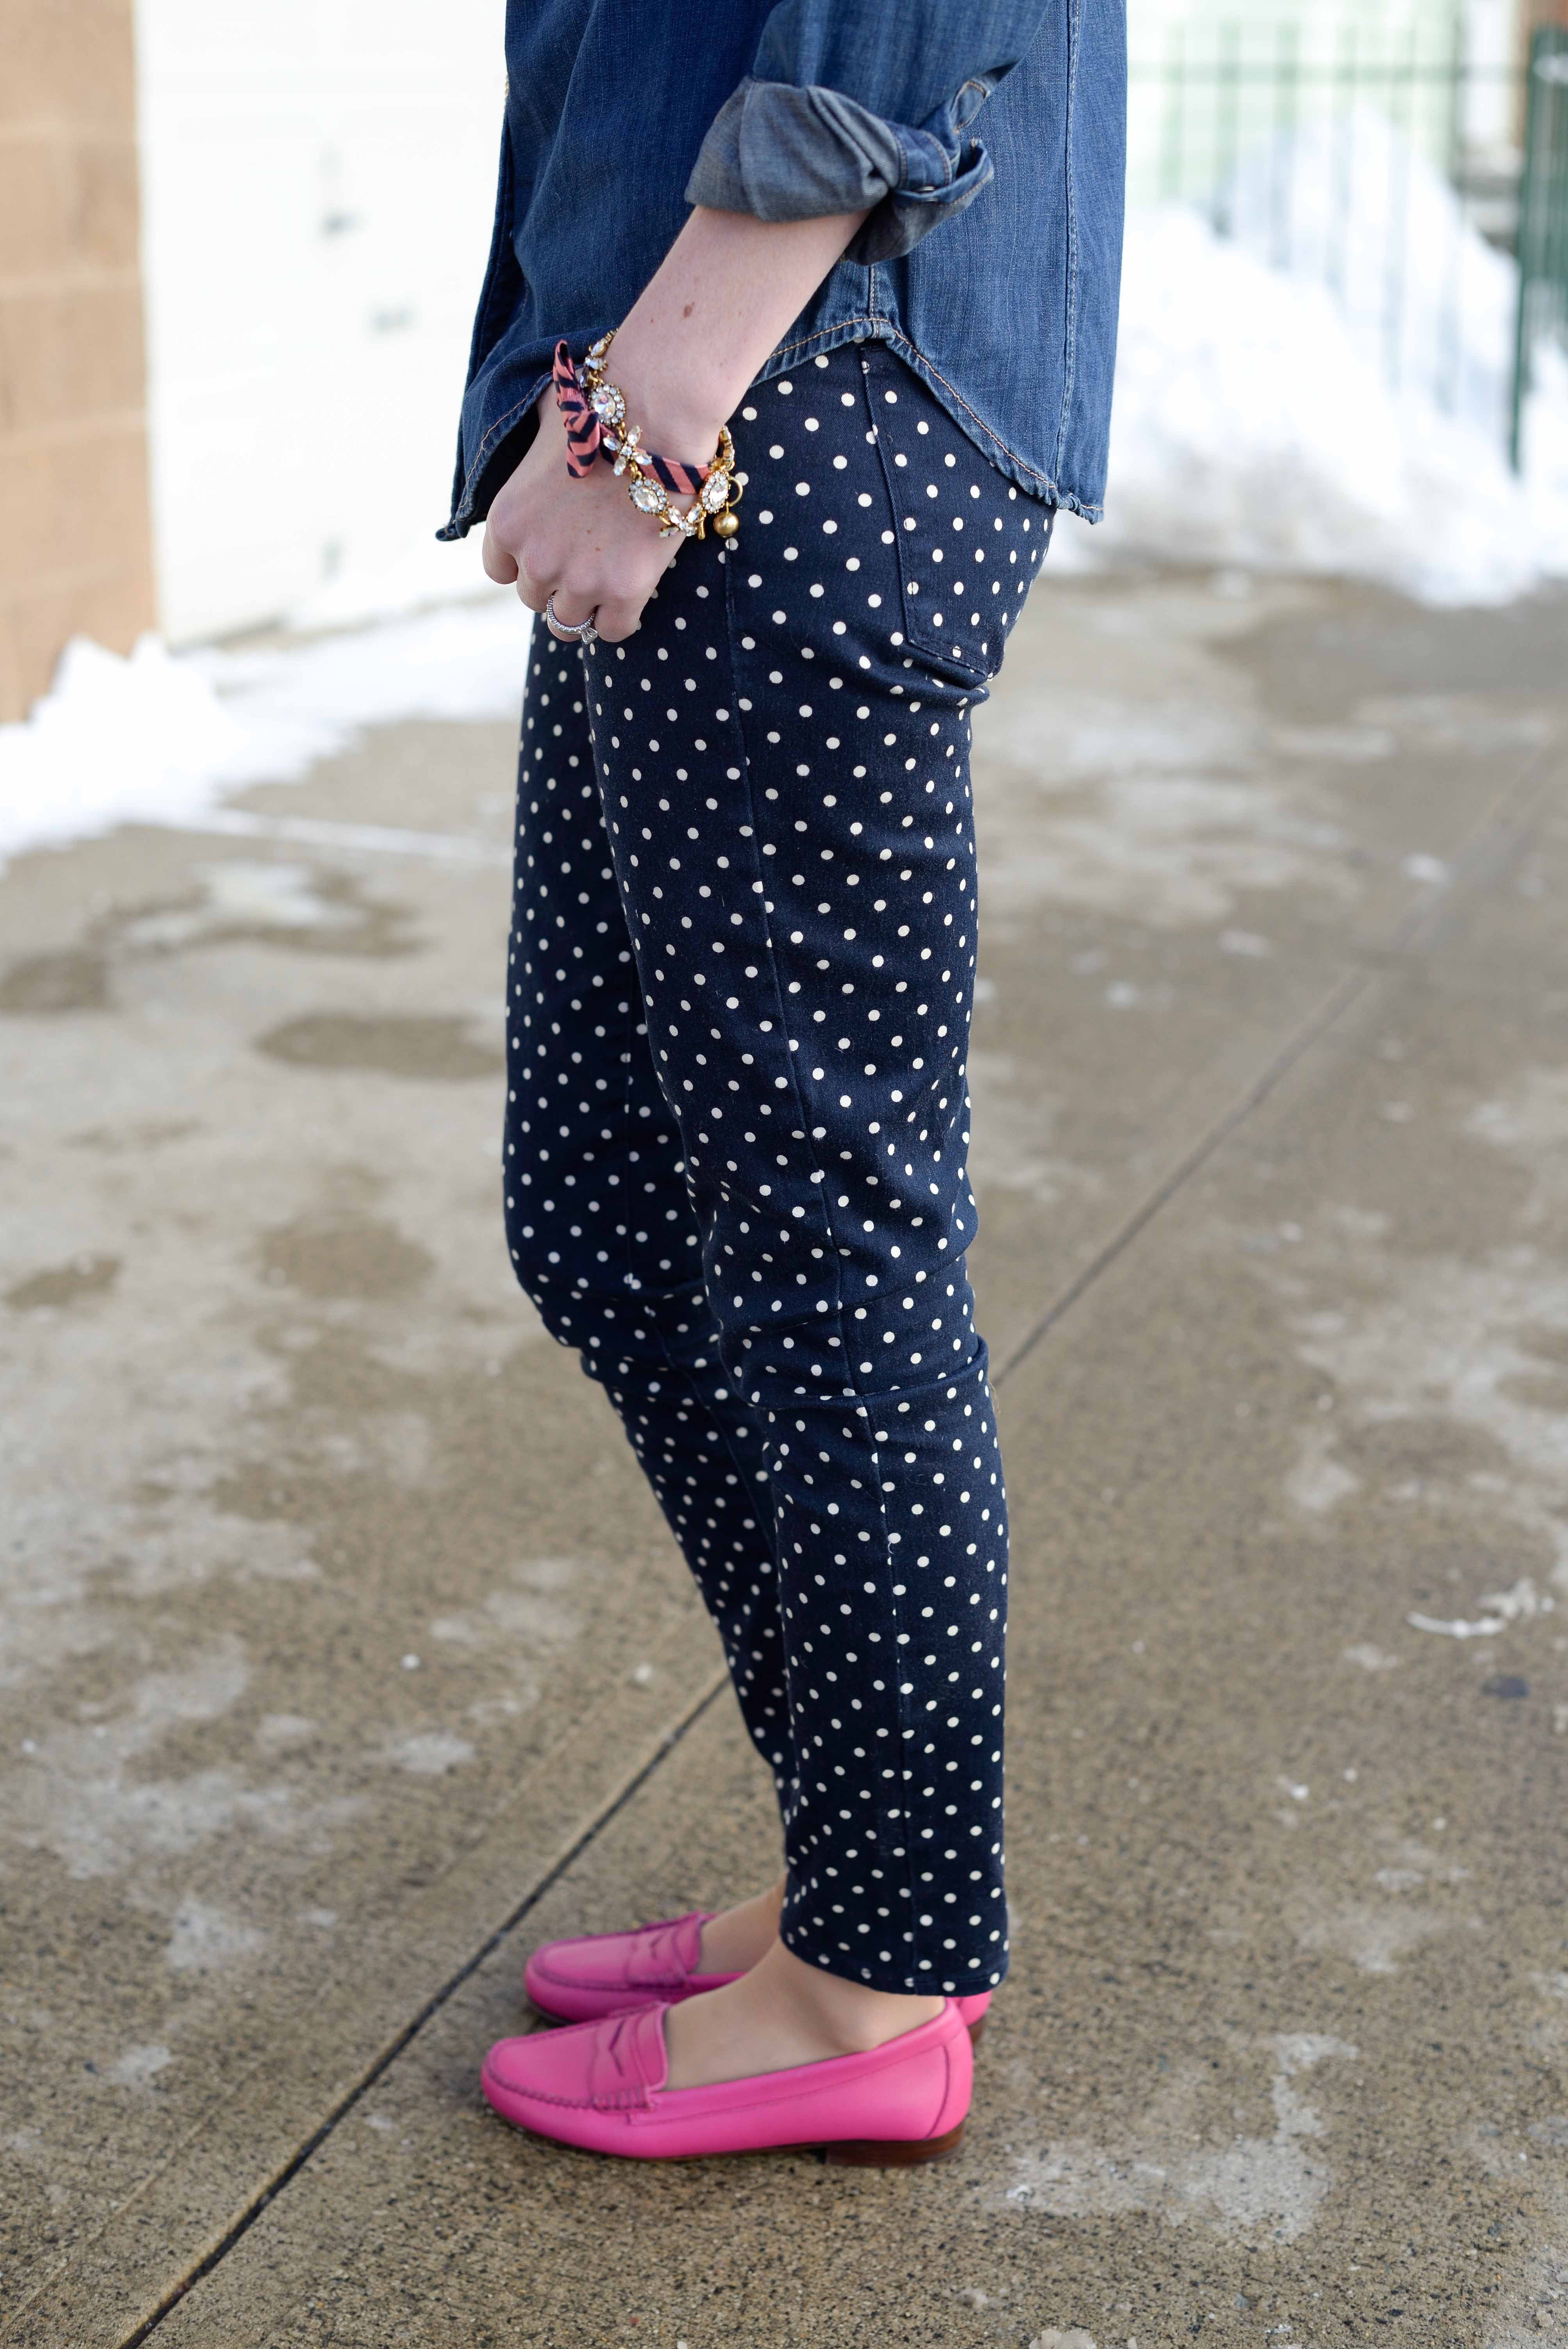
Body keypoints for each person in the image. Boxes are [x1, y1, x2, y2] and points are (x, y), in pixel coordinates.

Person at [438, 0, 1125, 2166]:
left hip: (790, 401)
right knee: (616, 1210)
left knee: (817, 1242)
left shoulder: (729, 392)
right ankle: (863, 1868)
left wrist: (668, 387)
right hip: (720, 371)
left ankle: (880, 1970)